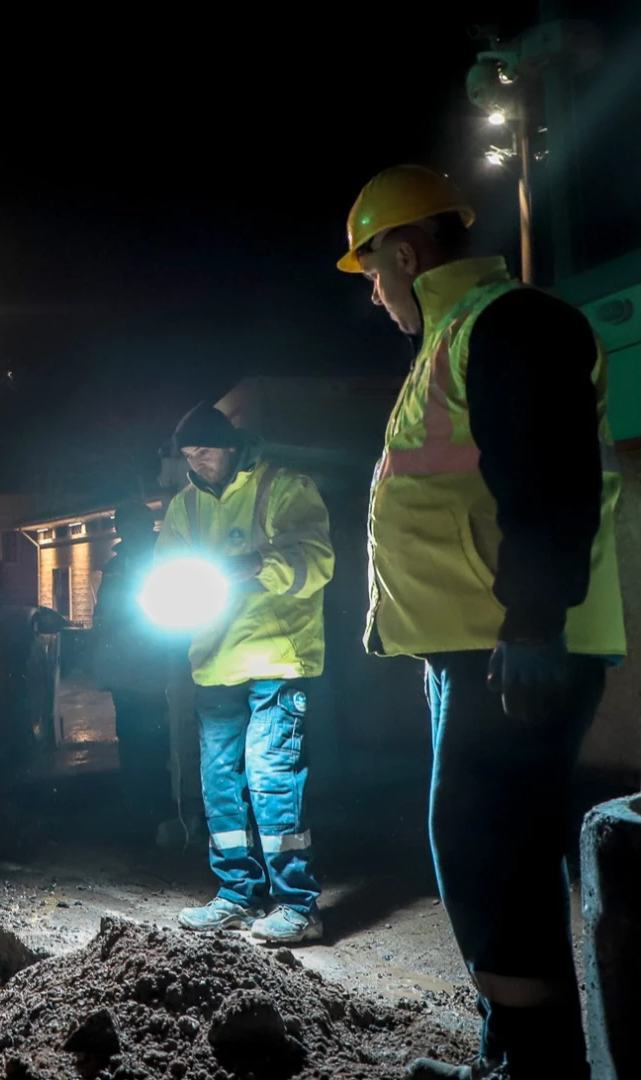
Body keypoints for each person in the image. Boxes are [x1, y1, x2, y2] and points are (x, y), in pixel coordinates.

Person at [338, 165, 624, 1080]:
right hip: (481, 653)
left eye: (373, 271)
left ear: (407, 253)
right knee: (490, 855)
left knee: (488, 852)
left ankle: (537, 1068)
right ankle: (518, 1052)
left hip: (515, 652)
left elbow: (550, 485)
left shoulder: (508, 324)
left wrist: (534, 627)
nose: (376, 294)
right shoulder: (458, 337)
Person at [156, 402, 335, 945]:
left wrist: (254, 566)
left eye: (204, 452)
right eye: (188, 455)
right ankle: (236, 895)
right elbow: (167, 567)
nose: (197, 463)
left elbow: (317, 560)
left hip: (276, 660)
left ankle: (298, 905)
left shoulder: (282, 487)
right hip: (215, 664)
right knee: (220, 783)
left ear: (231, 446)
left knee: (270, 774)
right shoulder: (185, 506)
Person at [92, 500, 176, 845]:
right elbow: (105, 616)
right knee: (131, 738)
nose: (125, 529)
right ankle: (137, 808)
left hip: (155, 667)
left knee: (155, 739)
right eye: (121, 523)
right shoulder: (115, 565)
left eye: (132, 523)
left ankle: (155, 809)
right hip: (125, 670)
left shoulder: (164, 557)